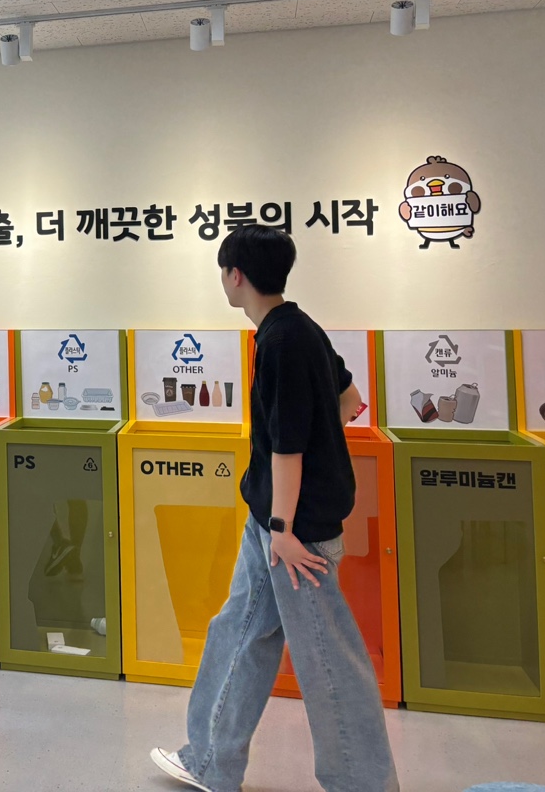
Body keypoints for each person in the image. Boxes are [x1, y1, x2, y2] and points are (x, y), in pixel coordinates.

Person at [151, 226, 398, 792]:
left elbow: (289, 447)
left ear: (235, 275)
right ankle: (211, 761)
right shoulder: (298, 327)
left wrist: (285, 526)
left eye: (223, 272)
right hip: (271, 520)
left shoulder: (281, 342)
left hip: (292, 532)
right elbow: (350, 400)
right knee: (239, 631)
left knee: (328, 661)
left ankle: (363, 783)